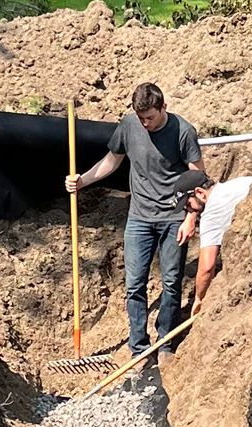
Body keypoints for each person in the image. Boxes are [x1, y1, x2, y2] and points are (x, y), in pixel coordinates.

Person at [67, 80, 207, 360]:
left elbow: (198, 178)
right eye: (141, 118)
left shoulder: (183, 132)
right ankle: (139, 348)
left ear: (163, 107)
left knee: (171, 282)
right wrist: (82, 180)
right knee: (134, 284)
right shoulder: (129, 126)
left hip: (173, 217)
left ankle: (165, 343)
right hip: (139, 218)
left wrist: (191, 217)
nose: (146, 124)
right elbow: (112, 161)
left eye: (151, 118)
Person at [180, 171, 252, 314]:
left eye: (188, 205)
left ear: (200, 193)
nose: (190, 211)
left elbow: (206, 268)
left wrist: (199, 299)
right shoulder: (240, 182)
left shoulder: (211, 214)